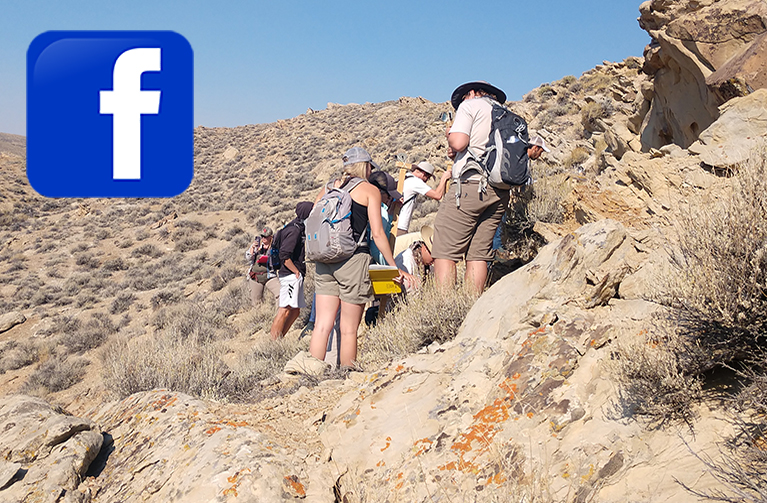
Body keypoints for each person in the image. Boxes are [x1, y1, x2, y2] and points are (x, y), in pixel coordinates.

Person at [285, 147, 415, 375]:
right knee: (348, 328)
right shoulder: (369, 190)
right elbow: (377, 233)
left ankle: (310, 375)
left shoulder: (326, 189)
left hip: (324, 262)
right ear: (366, 166)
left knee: (322, 324)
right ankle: (346, 376)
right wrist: (392, 265)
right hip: (354, 261)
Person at [432, 80, 510, 293]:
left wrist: (451, 138)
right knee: (479, 253)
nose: (462, 102)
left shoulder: (471, 105)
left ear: (473, 92)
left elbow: (458, 143)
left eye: (464, 97)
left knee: (444, 249)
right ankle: (470, 304)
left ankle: (446, 309)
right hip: (499, 191)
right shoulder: (503, 111)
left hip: (469, 186)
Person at [492, 135, 551, 250]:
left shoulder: (519, 157)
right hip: (500, 196)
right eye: (540, 152)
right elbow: (517, 180)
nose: (540, 156)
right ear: (535, 148)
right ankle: (495, 257)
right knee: (497, 228)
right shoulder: (521, 159)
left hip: (499, 194)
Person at [269, 201, 313, 340]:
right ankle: (273, 343)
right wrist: (295, 271)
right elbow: (284, 254)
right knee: (285, 309)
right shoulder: (294, 230)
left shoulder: (297, 227)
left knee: (295, 311)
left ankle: (280, 338)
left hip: (292, 274)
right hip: (290, 275)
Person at [396, 161, 451, 236]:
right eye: (427, 178)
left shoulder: (404, 178)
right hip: (400, 226)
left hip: (393, 221)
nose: (426, 181)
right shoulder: (415, 181)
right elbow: (437, 195)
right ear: (423, 174)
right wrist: (444, 179)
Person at [367, 170, 401, 265]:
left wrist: (390, 211)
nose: (390, 199)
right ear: (379, 192)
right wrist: (390, 266)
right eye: (389, 196)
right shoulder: (380, 211)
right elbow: (377, 250)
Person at [245, 227, 280, 306]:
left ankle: (279, 316)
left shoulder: (275, 246)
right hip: (256, 277)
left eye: (266, 237)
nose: (263, 238)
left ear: (271, 237)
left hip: (269, 275)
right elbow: (248, 258)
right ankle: (260, 316)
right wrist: (253, 249)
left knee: (280, 293)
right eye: (262, 236)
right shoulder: (257, 245)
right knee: (256, 302)